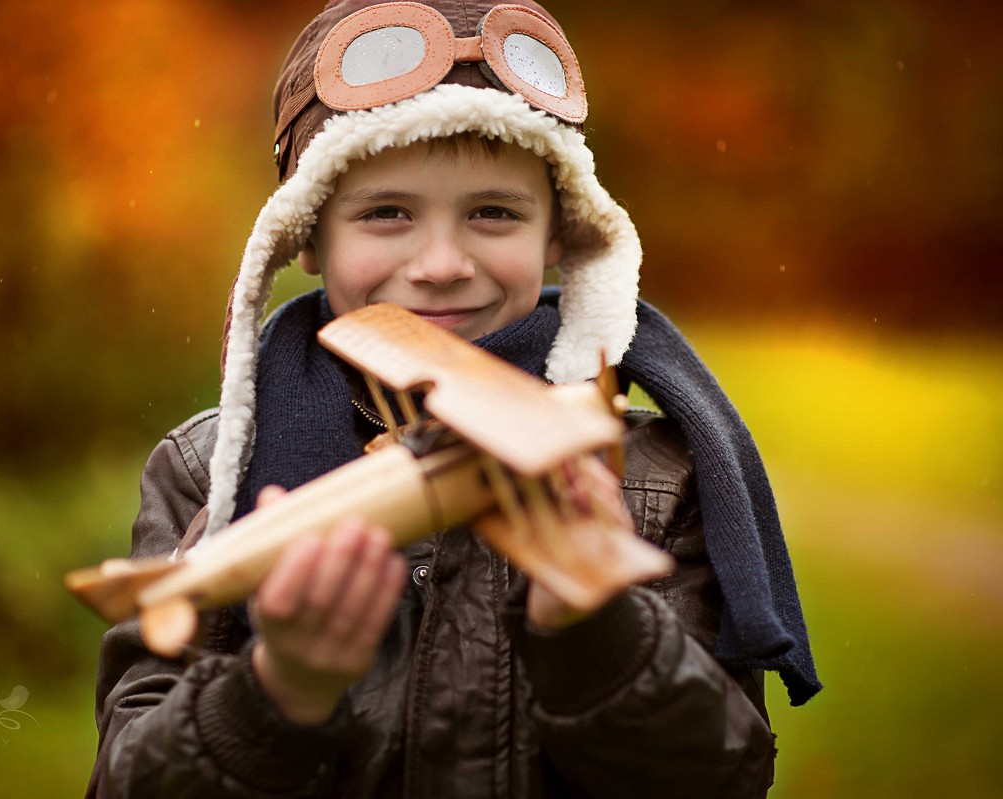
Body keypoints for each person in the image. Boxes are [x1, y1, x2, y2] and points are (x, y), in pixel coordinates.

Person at [87, 1, 821, 796]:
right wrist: (278, 688)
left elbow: (725, 773)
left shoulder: (656, 476)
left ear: (557, 235)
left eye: (493, 213)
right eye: (387, 213)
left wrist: (597, 632)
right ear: (309, 235)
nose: (441, 263)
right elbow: (127, 778)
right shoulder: (207, 470)